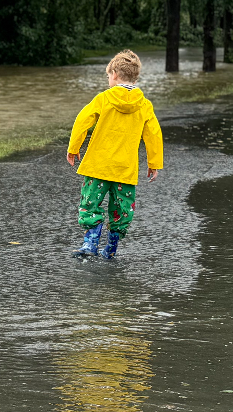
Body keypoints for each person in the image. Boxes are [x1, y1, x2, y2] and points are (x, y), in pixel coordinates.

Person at [67, 49, 164, 260]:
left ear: (115, 74)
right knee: (122, 208)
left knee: (90, 203)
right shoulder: (144, 105)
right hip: (125, 170)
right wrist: (154, 163)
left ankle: (90, 243)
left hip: (98, 166)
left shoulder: (104, 98)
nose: (108, 79)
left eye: (108, 76)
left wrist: (74, 148)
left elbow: (82, 120)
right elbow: (154, 134)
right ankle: (111, 249)